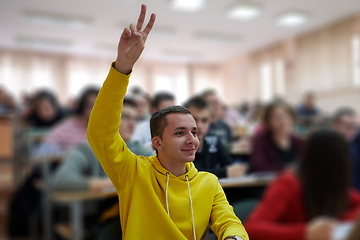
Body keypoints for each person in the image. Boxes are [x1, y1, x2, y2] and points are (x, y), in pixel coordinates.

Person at [87, 4, 248, 240]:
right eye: (180, 132)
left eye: (194, 131)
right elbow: (100, 133)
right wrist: (122, 68)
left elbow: (229, 222)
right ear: (157, 142)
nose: (192, 139)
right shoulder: (133, 173)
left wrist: (235, 238)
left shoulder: (208, 182)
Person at [50, 98, 153, 240]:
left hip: (131, 214)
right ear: (107, 119)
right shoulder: (86, 150)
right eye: (125, 117)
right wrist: (113, 183)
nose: (132, 124)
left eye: (135, 118)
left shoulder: (136, 147)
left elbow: (160, 169)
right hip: (94, 218)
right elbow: (60, 181)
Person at [245, 129, 360, 240]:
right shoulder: (288, 184)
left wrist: (334, 223)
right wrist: (306, 232)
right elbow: (250, 228)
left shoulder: (336, 188)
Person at [184, 96, 246, 178]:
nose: (199, 125)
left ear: (210, 121)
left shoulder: (213, 140)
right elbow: (192, 174)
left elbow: (229, 165)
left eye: (204, 120)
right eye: (194, 119)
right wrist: (225, 172)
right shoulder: (181, 144)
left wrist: (240, 168)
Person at [32, 86, 99, 160]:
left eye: (100, 106)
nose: (95, 110)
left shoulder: (108, 129)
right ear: (81, 108)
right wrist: (67, 154)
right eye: (90, 106)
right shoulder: (69, 126)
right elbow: (43, 150)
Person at [250, 100, 303, 172]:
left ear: (292, 119)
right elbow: (258, 166)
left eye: (285, 116)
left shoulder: (297, 141)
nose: (282, 121)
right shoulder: (260, 140)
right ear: (268, 121)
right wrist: (285, 169)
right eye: (276, 117)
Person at [331, 107, 360, 191]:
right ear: (334, 125)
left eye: (355, 127)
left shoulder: (355, 145)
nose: (352, 131)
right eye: (348, 126)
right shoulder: (324, 147)